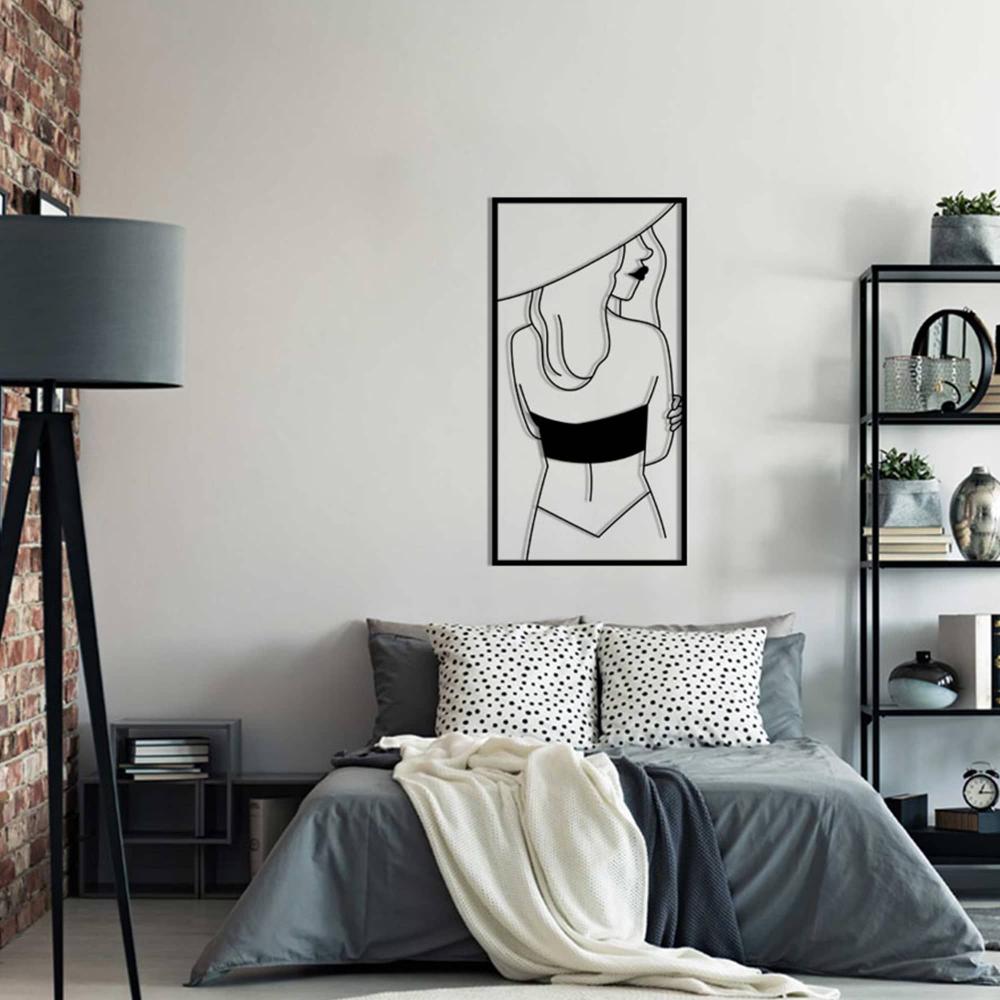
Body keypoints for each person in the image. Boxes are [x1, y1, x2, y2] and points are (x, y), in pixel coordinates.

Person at [509, 221, 682, 560]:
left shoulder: (521, 344)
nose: (647, 251)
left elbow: (534, 430)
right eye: (633, 239)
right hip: (632, 514)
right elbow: (657, 449)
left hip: (552, 515)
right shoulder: (647, 341)